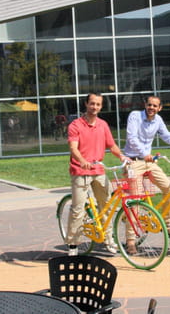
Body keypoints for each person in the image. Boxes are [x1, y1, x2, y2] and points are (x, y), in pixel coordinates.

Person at [122, 95, 170, 254]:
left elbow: (166, 135)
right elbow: (131, 138)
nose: (151, 108)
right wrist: (145, 153)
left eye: (155, 106)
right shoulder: (135, 116)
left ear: (159, 108)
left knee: (169, 189)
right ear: (144, 105)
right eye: (149, 105)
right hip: (133, 162)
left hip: (149, 162)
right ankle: (130, 240)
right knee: (135, 200)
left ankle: (166, 225)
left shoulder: (158, 120)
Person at [66, 92, 126, 256]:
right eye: (92, 103)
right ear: (86, 104)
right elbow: (73, 148)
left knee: (106, 205)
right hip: (81, 170)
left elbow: (111, 146)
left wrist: (122, 156)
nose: (95, 107)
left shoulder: (103, 125)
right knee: (78, 209)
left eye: (98, 104)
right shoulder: (76, 125)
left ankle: (108, 239)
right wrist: (82, 160)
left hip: (99, 170)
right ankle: (73, 244)